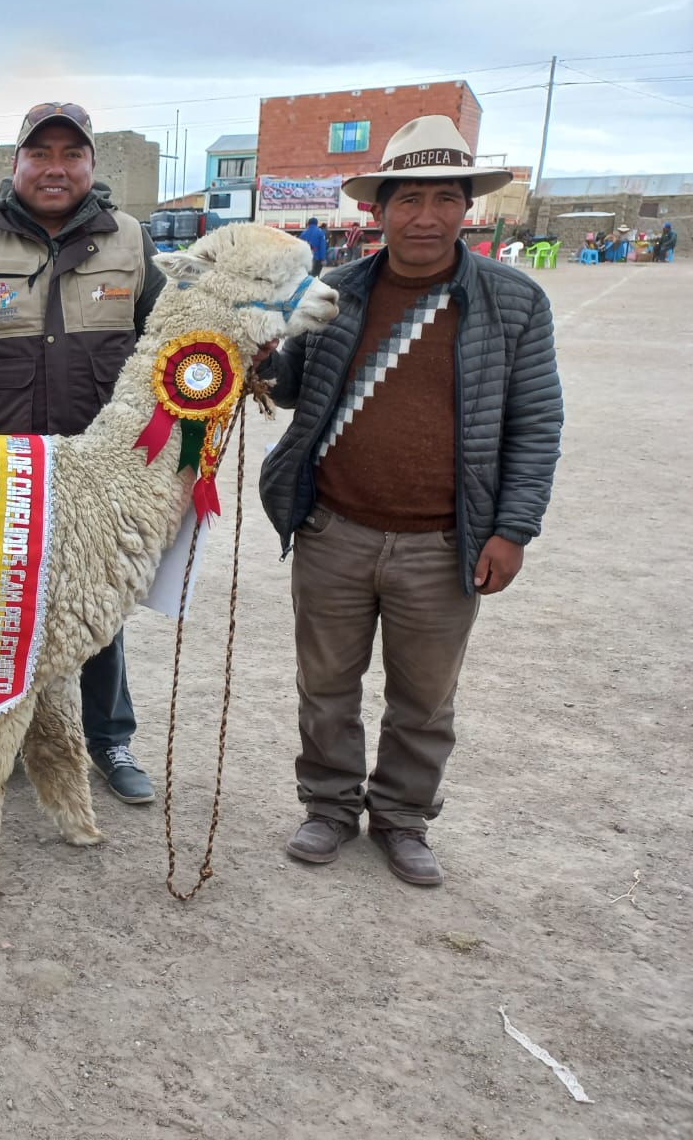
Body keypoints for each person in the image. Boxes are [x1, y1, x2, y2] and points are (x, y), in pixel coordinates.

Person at [256, 115, 563, 886]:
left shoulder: (514, 302)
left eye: (443, 198)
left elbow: (536, 422)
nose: (424, 217)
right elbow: (292, 385)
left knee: (424, 700)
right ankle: (328, 807)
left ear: (469, 209)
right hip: (333, 528)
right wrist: (254, 353)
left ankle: (401, 819)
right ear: (379, 209)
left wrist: (513, 529)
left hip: (442, 543)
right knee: (325, 685)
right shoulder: (332, 292)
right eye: (408, 199)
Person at [0, 100, 165, 806]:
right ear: (15, 164)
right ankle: (6, 736)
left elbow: (172, 348)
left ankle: (109, 739)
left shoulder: (132, 242)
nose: (55, 169)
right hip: (0, 472)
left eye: (70, 155)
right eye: (40, 155)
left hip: (98, 474)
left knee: (96, 615)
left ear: (90, 165)